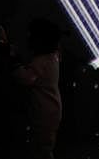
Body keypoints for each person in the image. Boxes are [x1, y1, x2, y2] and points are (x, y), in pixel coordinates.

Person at [13, 18, 63, 159]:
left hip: (44, 112)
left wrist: (14, 63)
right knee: (45, 146)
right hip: (52, 110)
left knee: (41, 149)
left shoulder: (41, 61)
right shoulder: (53, 57)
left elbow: (26, 78)